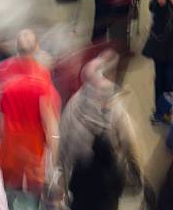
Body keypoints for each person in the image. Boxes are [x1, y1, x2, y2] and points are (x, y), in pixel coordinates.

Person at [59, 51, 142, 192]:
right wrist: (137, 171)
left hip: (78, 174)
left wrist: (64, 177)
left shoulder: (74, 103)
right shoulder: (114, 107)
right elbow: (129, 141)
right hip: (106, 171)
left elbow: (62, 138)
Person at [0, 29, 60, 195]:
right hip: (34, 145)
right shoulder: (42, 80)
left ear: (16, 47)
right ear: (36, 47)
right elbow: (50, 123)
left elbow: (0, 120)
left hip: (10, 143)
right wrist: (54, 154)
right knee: (34, 186)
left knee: (8, 185)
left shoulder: (1, 70)